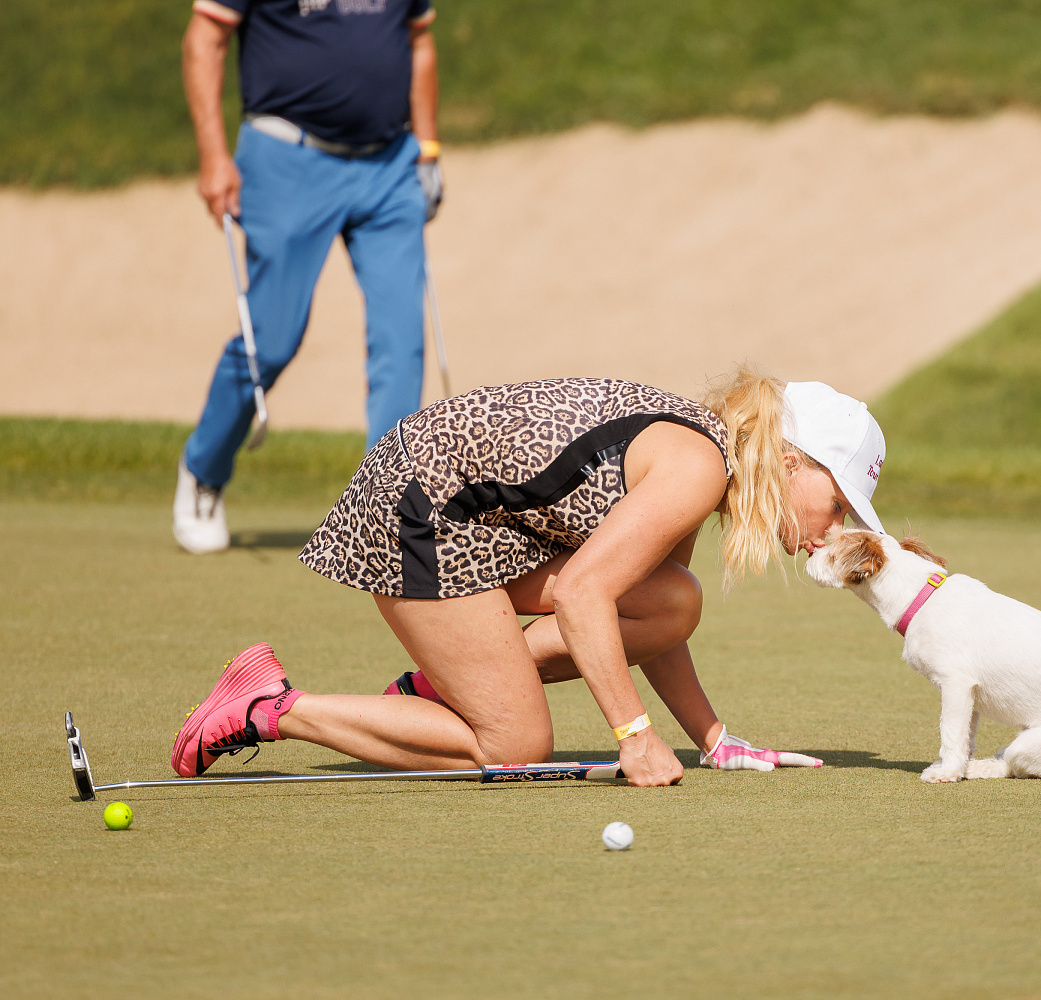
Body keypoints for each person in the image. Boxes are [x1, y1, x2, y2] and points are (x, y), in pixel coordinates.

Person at [171, 369, 888, 786]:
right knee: (514, 747)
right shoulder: (698, 466)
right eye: (840, 501)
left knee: (672, 600)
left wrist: (714, 738)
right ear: (794, 462)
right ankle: (272, 706)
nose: (835, 528)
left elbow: (654, 621)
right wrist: (634, 735)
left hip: (477, 523)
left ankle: (439, 690)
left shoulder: (707, 457)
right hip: (418, 506)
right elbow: (583, 594)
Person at [173, 0, 446, 554]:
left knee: (401, 338)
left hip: (390, 163)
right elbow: (204, 39)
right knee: (270, 341)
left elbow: (418, 42)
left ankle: (385, 509)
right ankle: (203, 470)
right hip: (286, 157)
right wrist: (213, 156)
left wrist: (428, 149)